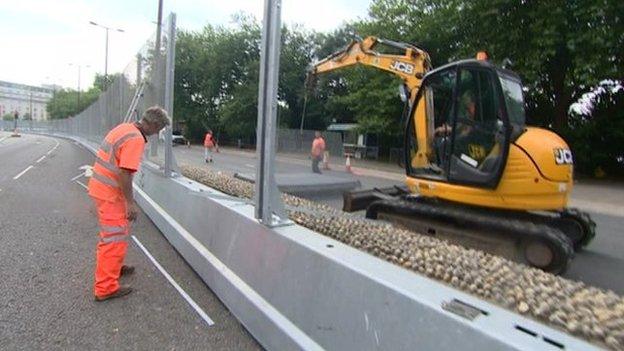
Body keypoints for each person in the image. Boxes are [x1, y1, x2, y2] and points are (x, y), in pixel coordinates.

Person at [88, 106, 170, 301]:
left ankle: (113, 269)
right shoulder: (135, 139)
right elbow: (124, 173)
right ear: (154, 124)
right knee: (113, 238)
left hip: (101, 188)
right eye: (159, 129)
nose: (157, 133)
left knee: (116, 235)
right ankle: (106, 287)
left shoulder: (125, 128)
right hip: (110, 194)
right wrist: (130, 203)